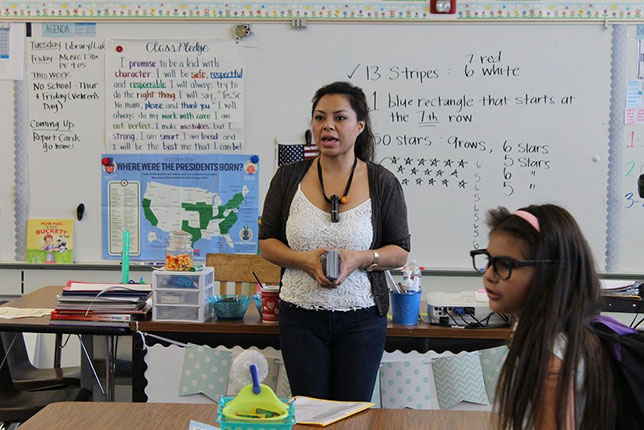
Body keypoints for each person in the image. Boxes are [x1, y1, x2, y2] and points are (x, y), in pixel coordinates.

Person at [259, 81, 410, 401]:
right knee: (309, 413)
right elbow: (267, 242)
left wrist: (359, 258)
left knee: (352, 414)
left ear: (360, 126)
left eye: (340, 118)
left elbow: (399, 251)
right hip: (300, 317)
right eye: (319, 117)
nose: (327, 125)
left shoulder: (382, 181)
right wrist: (303, 260)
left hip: (363, 319)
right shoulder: (287, 177)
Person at [470, 204, 615, 429]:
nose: (489, 275)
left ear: (550, 273)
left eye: (505, 265)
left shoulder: (551, 357)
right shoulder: (560, 334)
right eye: (489, 260)